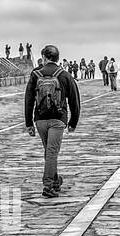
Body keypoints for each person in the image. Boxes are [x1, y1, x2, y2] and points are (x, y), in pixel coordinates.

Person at [24, 44, 81, 198]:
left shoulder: (35, 74)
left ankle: (55, 181)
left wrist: (29, 123)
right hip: (58, 119)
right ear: (57, 58)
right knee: (52, 152)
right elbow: (74, 101)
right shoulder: (65, 75)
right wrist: (73, 122)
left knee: (49, 152)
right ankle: (48, 184)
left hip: (40, 119)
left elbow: (29, 100)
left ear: (44, 57)